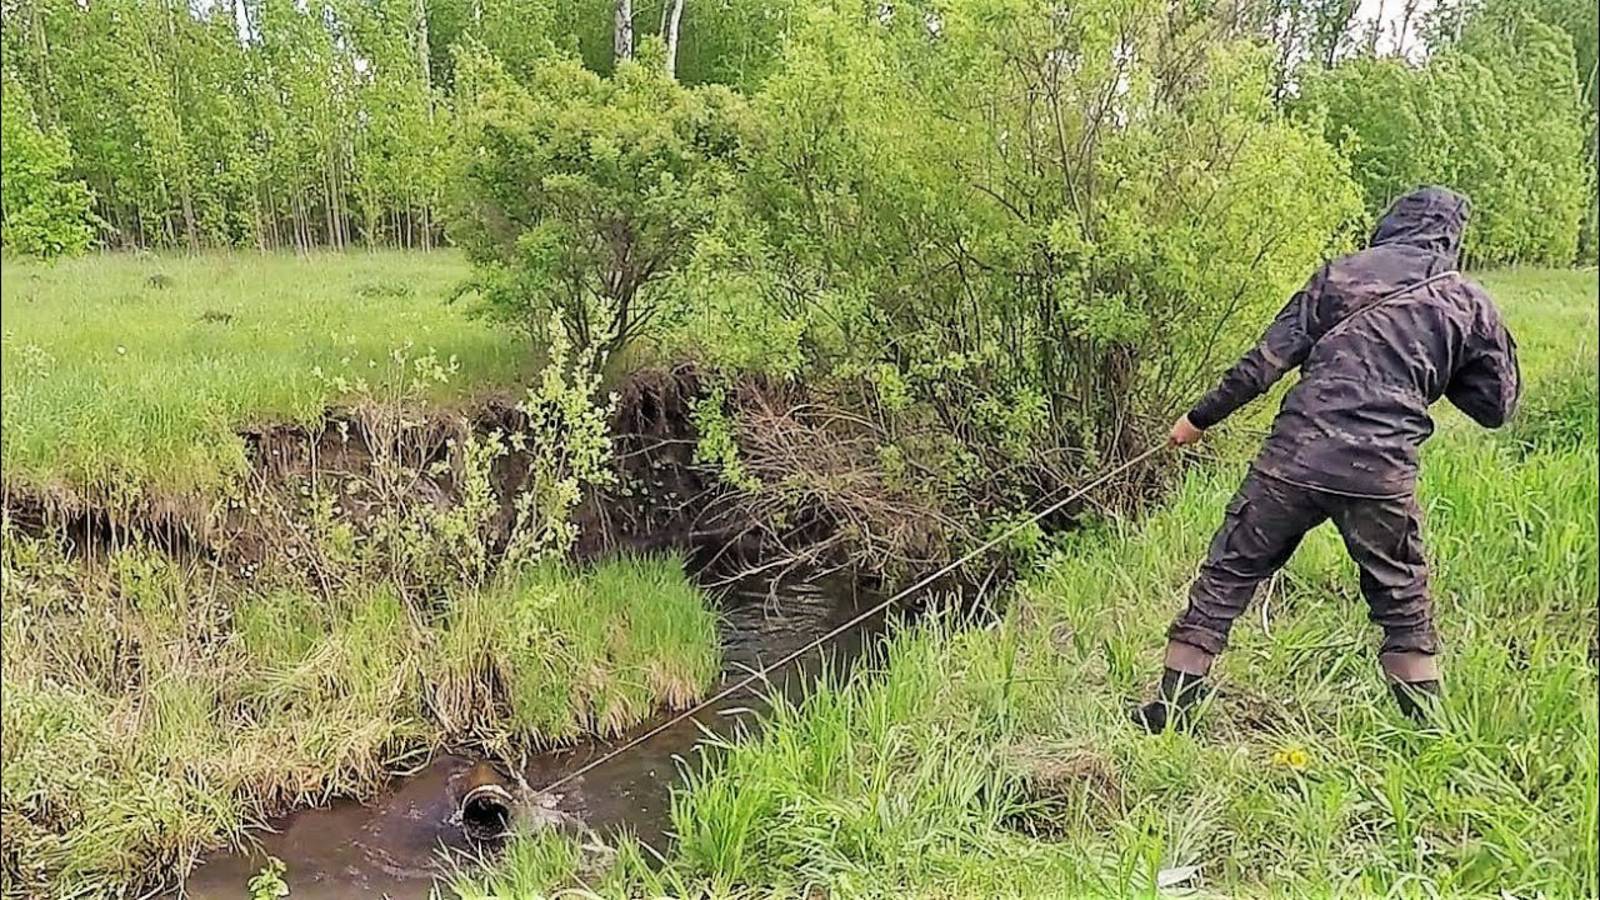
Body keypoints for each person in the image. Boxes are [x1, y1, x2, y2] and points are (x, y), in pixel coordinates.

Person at [1133, 185, 1520, 732]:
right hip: (1381, 471)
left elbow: (1263, 363)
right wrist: (1432, 366)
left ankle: (1167, 715)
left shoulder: (1339, 274)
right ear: (1452, 236)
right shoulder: (1469, 303)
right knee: (1402, 598)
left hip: (1294, 457)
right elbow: (1495, 406)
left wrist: (1196, 420)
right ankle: (1430, 735)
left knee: (1229, 572)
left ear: (1393, 222)